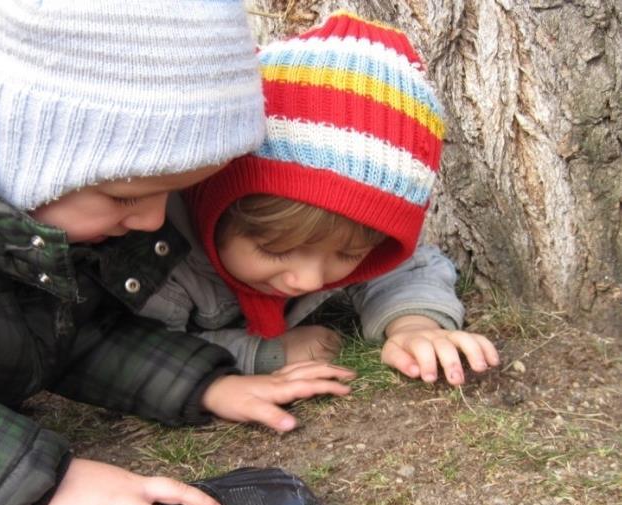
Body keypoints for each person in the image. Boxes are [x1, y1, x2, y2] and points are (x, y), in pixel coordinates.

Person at [0, 0, 355, 505]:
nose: (151, 222)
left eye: (173, 195)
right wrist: (44, 486)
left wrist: (201, 384)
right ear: (18, 146)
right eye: (123, 196)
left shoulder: (45, 232)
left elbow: (76, 336)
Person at [140, 11, 499, 386]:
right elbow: (134, 349)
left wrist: (413, 325)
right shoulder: (160, 256)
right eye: (275, 250)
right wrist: (259, 355)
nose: (309, 280)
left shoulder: (332, 235)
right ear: (214, 203)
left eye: (348, 255)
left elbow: (409, 267)